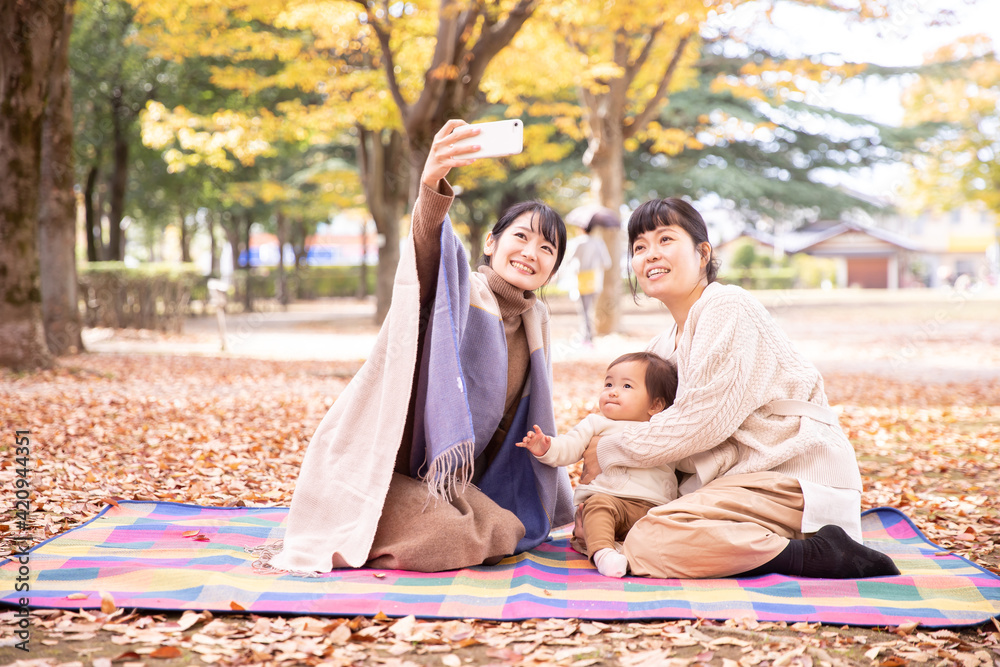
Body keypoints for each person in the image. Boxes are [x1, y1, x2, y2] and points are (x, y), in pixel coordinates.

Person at [268, 119, 574, 574]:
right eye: (522, 237)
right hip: (383, 463)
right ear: (491, 243)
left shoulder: (536, 322)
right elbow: (428, 255)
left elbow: (517, 424)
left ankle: (446, 522)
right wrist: (432, 184)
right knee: (455, 536)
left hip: (455, 480)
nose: (532, 251)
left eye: (548, 248)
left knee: (512, 526)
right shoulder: (458, 290)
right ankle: (356, 522)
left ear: (552, 270)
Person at [579, 197, 901, 580]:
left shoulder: (727, 306)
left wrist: (611, 449)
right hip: (732, 486)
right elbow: (643, 428)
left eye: (665, 240)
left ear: (702, 254)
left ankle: (817, 553)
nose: (651, 254)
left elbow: (704, 422)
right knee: (619, 528)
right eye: (639, 247)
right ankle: (751, 540)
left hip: (788, 471)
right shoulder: (660, 347)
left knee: (649, 539)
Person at [518, 351, 679, 578]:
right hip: (609, 500)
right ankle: (604, 554)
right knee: (596, 507)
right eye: (609, 383)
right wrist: (547, 447)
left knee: (670, 528)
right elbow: (570, 446)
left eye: (627, 386)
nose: (612, 391)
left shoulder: (664, 429)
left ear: (656, 404)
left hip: (654, 507)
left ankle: (623, 551)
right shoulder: (596, 424)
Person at [566, 222, 612, 344]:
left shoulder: (578, 242)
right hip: (594, 279)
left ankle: (587, 337)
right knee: (590, 308)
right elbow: (607, 262)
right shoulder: (599, 242)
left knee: (584, 310)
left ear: (582, 229)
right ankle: (588, 336)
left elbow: (569, 260)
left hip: (581, 278)